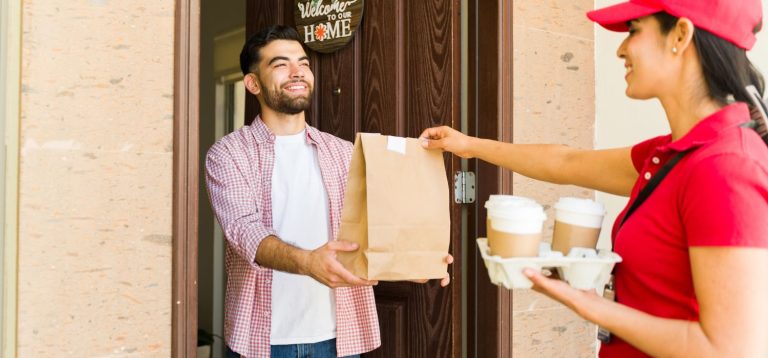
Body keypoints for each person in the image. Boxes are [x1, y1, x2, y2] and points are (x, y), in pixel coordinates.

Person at [420, 0, 768, 357]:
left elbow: (731, 349)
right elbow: (566, 162)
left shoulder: (725, 166)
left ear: (680, 35)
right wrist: (468, 145)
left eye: (633, 30)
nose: (620, 48)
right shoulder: (675, 155)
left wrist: (589, 304)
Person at [206, 25, 451, 358]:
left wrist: (413, 258)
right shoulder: (229, 153)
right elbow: (244, 231)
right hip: (264, 341)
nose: (297, 72)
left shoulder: (344, 152)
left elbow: (375, 222)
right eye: (280, 64)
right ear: (253, 83)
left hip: (340, 337)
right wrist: (308, 262)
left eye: (303, 63)